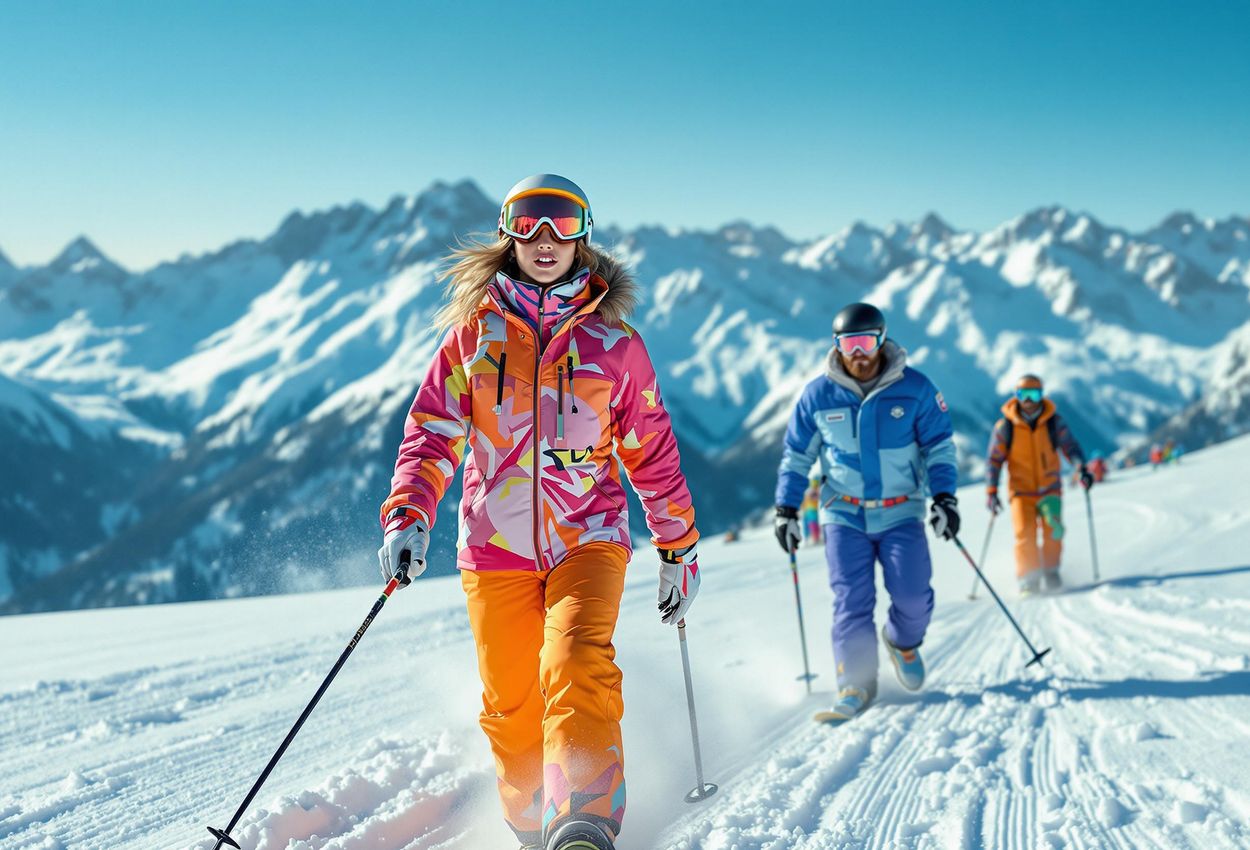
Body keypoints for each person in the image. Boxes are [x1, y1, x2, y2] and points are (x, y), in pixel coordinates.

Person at [378, 175, 702, 850]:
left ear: (584, 233)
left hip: (589, 535)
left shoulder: (616, 343)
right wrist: (409, 511)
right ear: (508, 234)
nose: (546, 238)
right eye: (528, 223)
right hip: (494, 546)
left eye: (563, 222)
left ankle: (582, 817)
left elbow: (650, 447)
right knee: (513, 704)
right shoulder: (472, 338)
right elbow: (432, 431)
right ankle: (533, 826)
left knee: (575, 662)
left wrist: (678, 544)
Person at [773, 303, 959, 722]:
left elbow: (939, 448)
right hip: (844, 515)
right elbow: (796, 458)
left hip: (900, 512)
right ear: (836, 346)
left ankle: (902, 641)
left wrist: (944, 497)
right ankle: (855, 683)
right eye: (848, 343)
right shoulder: (817, 396)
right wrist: (786, 507)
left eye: (866, 341)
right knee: (852, 601)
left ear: (882, 340)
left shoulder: (916, 390)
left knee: (913, 598)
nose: (858, 353)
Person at [985, 375, 1092, 595]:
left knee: (1054, 530)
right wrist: (991, 490)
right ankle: (1029, 578)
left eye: (1034, 395)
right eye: (1024, 395)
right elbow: (994, 460)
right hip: (1020, 491)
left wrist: (1081, 468)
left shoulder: (1053, 421)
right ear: (1017, 396)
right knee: (1025, 534)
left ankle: (1051, 571)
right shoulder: (1006, 426)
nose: (1029, 401)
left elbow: (1070, 446)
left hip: (1049, 487)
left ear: (1042, 395)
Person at [801, 478, 822, 543]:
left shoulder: (811, 491)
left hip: (811, 510)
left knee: (812, 525)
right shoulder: (812, 491)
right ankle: (814, 538)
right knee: (813, 524)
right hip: (811, 510)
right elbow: (809, 500)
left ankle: (813, 538)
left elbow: (804, 501)